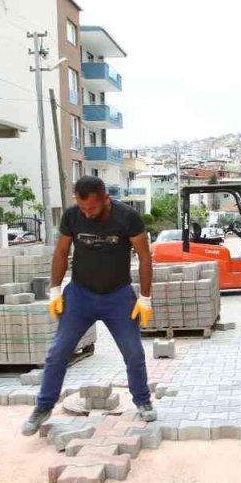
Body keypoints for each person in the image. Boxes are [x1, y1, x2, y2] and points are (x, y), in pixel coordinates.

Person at [20, 176, 157, 436]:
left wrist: (145, 298)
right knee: (58, 352)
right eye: (82, 208)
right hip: (80, 296)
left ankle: (142, 400)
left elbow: (144, 255)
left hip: (118, 297)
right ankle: (43, 406)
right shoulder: (72, 217)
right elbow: (61, 252)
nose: (86, 213)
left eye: (91, 208)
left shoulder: (128, 218)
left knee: (134, 353)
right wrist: (55, 291)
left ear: (105, 198)